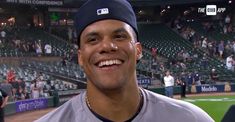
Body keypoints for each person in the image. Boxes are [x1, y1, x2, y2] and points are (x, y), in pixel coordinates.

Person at [36, 0, 214, 122]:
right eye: (93, 39)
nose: (107, 46)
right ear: (80, 57)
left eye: (119, 36)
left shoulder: (191, 119)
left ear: (138, 50)